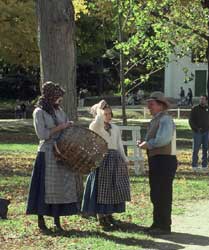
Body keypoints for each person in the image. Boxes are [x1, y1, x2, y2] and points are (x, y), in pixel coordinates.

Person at [26, 81, 82, 234]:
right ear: (50, 96)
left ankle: (57, 221)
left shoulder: (59, 111)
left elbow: (64, 128)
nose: (60, 99)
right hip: (46, 153)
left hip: (61, 152)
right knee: (44, 188)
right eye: (57, 96)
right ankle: (41, 221)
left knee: (59, 187)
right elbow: (42, 134)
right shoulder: (39, 112)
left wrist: (68, 126)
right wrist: (61, 127)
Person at [81, 100, 131, 231]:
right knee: (101, 188)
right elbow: (97, 122)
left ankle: (109, 214)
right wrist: (100, 108)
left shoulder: (115, 128)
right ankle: (101, 215)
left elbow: (119, 144)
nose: (109, 116)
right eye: (106, 114)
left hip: (114, 159)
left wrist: (125, 159)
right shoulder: (95, 126)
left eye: (110, 114)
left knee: (112, 187)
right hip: (101, 158)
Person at [138, 91, 177, 235]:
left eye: (152, 104)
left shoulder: (165, 119)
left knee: (163, 194)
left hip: (164, 160)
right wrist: (145, 143)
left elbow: (163, 139)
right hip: (158, 160)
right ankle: (157, 223)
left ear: (161, 106)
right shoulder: (156, 119)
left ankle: (164, 226)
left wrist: (148, 144)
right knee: (156, 193)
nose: (149, 106)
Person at [189, 94, 209, 172]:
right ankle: (194, 166)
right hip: (197, 133)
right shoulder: (195, 109)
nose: (201, 100)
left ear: (206, 100)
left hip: (206, 133)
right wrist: (196, 129)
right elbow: (191, 121)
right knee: (196, 149)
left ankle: (204, 166)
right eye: (200, 99)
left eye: (203, 99)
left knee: (205, 149)